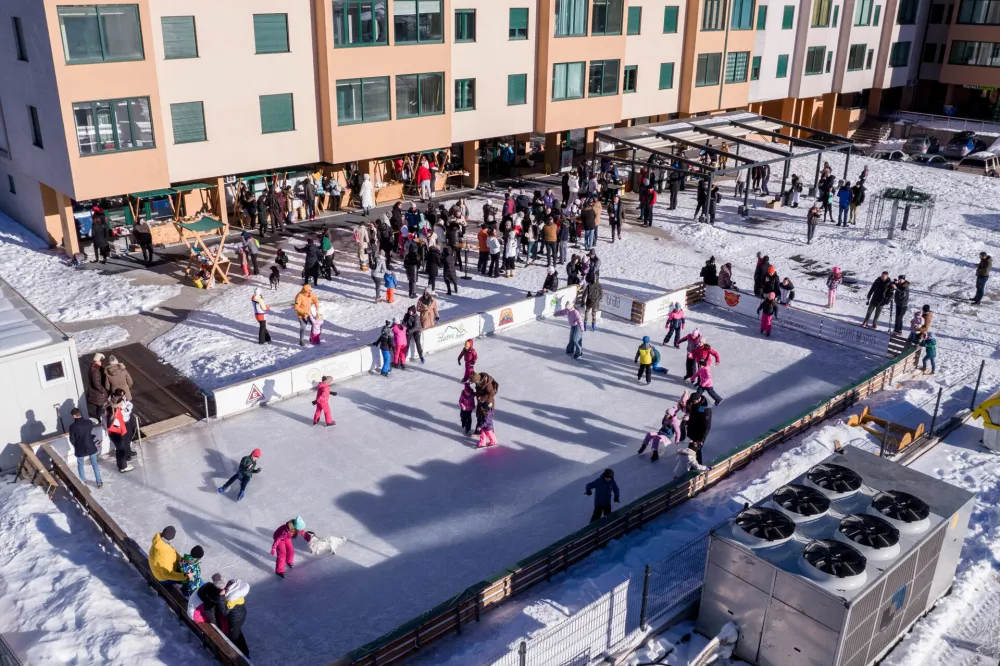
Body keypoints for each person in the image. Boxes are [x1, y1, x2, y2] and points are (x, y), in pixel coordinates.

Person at [69, 408, 102, 488]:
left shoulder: (72, 426)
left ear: (74, 416)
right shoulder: (89, 422)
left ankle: (83, 480)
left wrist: (76, 445)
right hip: (90, 446)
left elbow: (72, 439)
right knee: (95, 464)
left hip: (80, 448)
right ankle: (99, 482)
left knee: (80, 464)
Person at [221, 578, 251, 656]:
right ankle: (245, 651)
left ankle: (243, 654)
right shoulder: (237, 590)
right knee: (237, 631)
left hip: (236, 619)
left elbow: (224, 611)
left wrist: (220, 597)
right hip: (241, 614)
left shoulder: (231, 599)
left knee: (234, 636)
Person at [106, 393, 134, 473]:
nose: (122, 404)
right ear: (117, 403)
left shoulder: (116, 409)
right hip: (117, 434)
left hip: (119, 433)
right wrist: (120, 430)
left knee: (119, 450)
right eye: (121, 403)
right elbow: (109, 426)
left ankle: (120, 465)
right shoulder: (113, 412)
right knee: (122, 450)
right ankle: (123, 467)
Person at [686, 395, 712, 466]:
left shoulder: (705, 409)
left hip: (699, 435)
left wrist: (702, 439)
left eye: (694, 402)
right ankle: (694, 465)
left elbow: (707, 426)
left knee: (695, 450)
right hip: (693, 432)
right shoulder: (696, 405)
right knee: (692, 450)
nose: (692, 403)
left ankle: (697, 466)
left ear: (699, 399)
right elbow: (695, 417)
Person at [86, 353, 109, 420]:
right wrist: (104, 391)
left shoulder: (92, 367)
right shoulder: (96, 371)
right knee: (101, 408)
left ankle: (100, 419)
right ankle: (101, 421)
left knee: (99, 408)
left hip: (94, 393)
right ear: (96, 361)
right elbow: (97, 383)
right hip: (99, 394)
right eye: (100, 361)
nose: (101, 362)